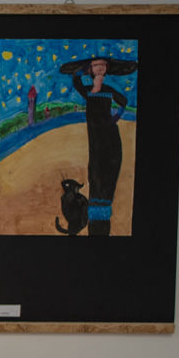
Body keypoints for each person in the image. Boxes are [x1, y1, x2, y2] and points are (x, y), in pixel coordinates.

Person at [60, 54, 136, 237]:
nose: (100, 68)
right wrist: (82, 69)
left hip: (110, 137)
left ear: (107, 69)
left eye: (103, 65)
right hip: (95, 139)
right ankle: (97, 224)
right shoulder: (87, 91)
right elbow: (76, 81)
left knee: (107, 173)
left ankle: (101, 221)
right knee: (95, 172)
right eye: (95, 66)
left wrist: (116, 117)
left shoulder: (109, 90)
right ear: (91, 70)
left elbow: (123, 101)